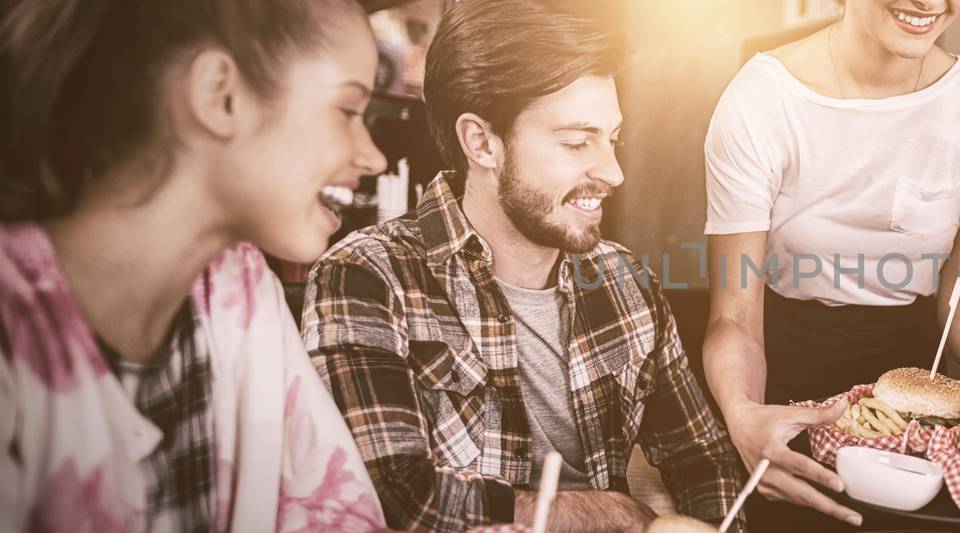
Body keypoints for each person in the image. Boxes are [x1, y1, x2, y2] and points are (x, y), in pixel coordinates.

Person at [301, 1, 745, 532]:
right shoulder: (366, 276)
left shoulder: (627, 282)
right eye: (577, 142)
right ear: (482, 142)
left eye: (612, 138)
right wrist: (616, 515)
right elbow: (398, 495)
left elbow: (702, 460)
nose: (613, 171)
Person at [0, 0, 388, 531]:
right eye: (346, 111)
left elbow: (337, 512)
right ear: (220, 96)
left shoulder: (240, 290)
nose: (375, 158)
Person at [700, 0, 960, 528]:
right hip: (783, 376)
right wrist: (743, 415)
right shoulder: (762, 100)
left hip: (919, 394)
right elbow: (734, 316)